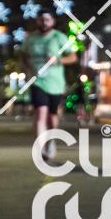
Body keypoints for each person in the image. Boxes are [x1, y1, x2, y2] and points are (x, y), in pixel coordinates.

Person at [19, 10, 77, 161]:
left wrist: (58, 60)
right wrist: (26, 68)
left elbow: (72, 57)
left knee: (52, 116)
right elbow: (23, 56)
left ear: (53, 21)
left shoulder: (59, 37)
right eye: (41, 19)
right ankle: (41, 147)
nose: (44, 22)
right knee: (40, 112)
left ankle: (51, 143)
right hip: (37, 81)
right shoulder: (31, 38)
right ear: (37, 21)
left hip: (55, 83)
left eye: (47, 19)